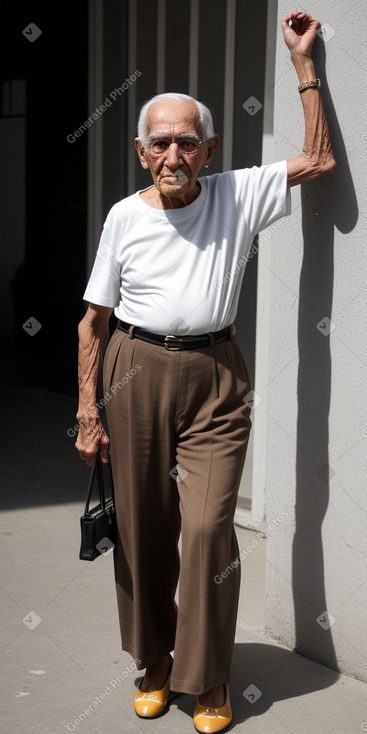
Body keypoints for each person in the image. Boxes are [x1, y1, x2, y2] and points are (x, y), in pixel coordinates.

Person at [75, 10, 335, 733]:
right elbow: (92, 321)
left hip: (216, 377)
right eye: (158, 143)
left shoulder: (236, 192)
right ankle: (154, 661)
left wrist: (303, 65)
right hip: (134, 368)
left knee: (208, 530)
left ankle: (208, 675)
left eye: (186, 142)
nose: (172, 154)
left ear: (208, 147)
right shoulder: (124, 218)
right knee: (142, 528)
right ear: (140, 151)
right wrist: (90, 410)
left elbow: (318, 161)